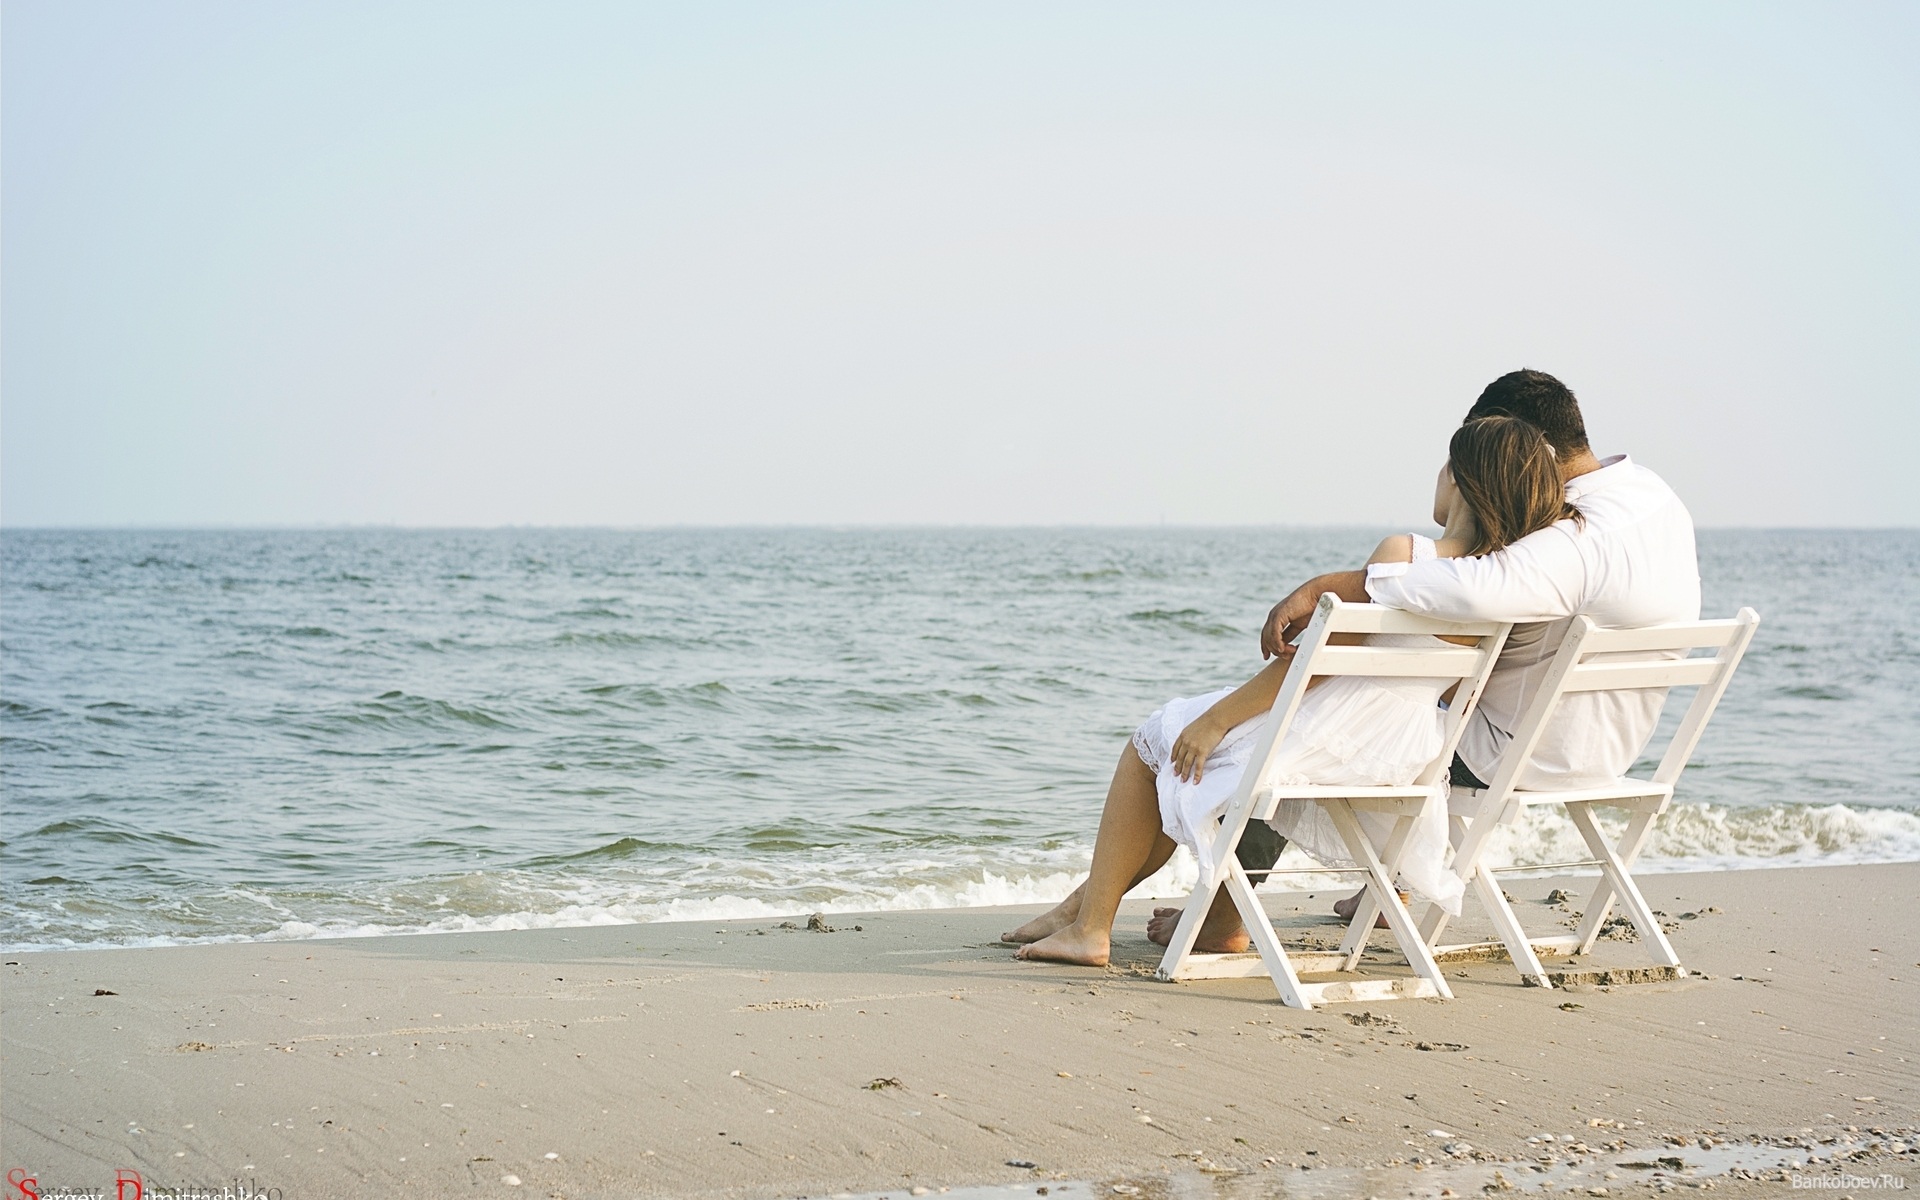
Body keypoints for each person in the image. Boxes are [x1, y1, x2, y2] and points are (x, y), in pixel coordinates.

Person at [1144, 369, 1702, 953]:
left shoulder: (1574, 538)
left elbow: (1463, 585)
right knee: (1407, 686)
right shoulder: (1652, 496)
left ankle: (1227, 915)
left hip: (1516, 755)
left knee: (1309, 728)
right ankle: (1389, 889)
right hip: (1609, 747)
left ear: (1521, 443)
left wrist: (1339, 585)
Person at [1004, 415, 1578, 967]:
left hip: (1330, 736)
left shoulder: (1406, 554)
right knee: (1188, 758)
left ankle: (1091, 927)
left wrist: (1218, 720)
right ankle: (1084, 909)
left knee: (1157, 740)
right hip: (1399, 755)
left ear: (1458, 479)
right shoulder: (1505, 589)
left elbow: (1315, 668)